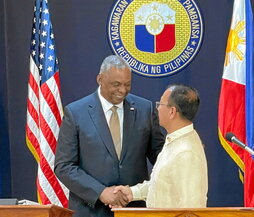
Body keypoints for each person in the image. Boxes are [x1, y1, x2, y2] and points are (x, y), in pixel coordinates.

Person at [54, 55, 165, 217]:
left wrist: (178, 152)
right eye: (116, 84)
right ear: (100, 79)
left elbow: (160, 156)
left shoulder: (145, 109)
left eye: (127, 84)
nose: (123, 90)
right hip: (91, 210)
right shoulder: (76, 113)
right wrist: (100, 192)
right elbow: (64, 166)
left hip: (134, 210)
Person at [113, 84, 208, 208]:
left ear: (172, 111)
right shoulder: (174, 140)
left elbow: (190, 209)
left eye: (160, 104)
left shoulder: (186, 153)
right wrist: (131, 192)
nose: (157, 109)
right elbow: (161, 185)